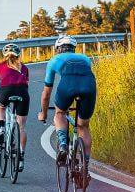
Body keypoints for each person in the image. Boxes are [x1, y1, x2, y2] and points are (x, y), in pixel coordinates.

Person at [38, 34, 97, 167]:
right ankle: (85, 168)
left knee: (60, 114)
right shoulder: (85, 58)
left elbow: (46, 93)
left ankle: (63, 145)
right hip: (89, 85)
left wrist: (44, 113)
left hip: (68, 85)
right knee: (83, 126)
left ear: (58, 48)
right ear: (73, 48)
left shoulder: (54, 60)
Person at [0, 42, 29, 169]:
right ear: (18, 55)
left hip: (5, 92)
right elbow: (27, 86)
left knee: (1, 107)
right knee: (21, 127)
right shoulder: (24, 68)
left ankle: (2, 127)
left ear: (4, 55)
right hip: (23, 94)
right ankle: (21, 157)